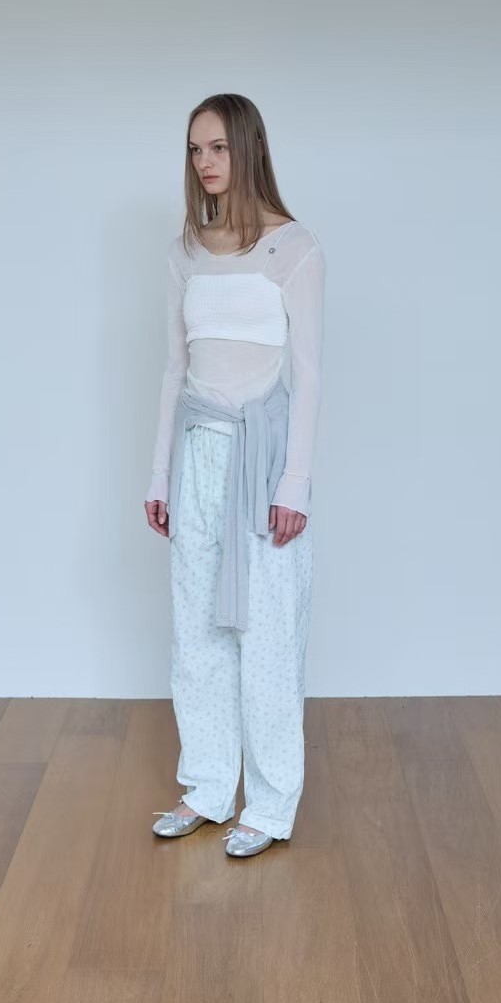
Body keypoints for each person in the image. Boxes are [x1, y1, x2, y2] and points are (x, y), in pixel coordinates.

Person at [144, 93, 326, 858]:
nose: (204, 163)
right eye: (194, 150)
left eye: (217, 147)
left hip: (262, 461)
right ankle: (208, 786)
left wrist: (294, 483)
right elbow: (173, 368)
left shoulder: (295, 248)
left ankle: (271, 804)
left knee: (269, 632)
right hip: (197, 456)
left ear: (248, 149)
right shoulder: (184, 251)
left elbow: (309, 374)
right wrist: (158, 475)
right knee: (196, 628)